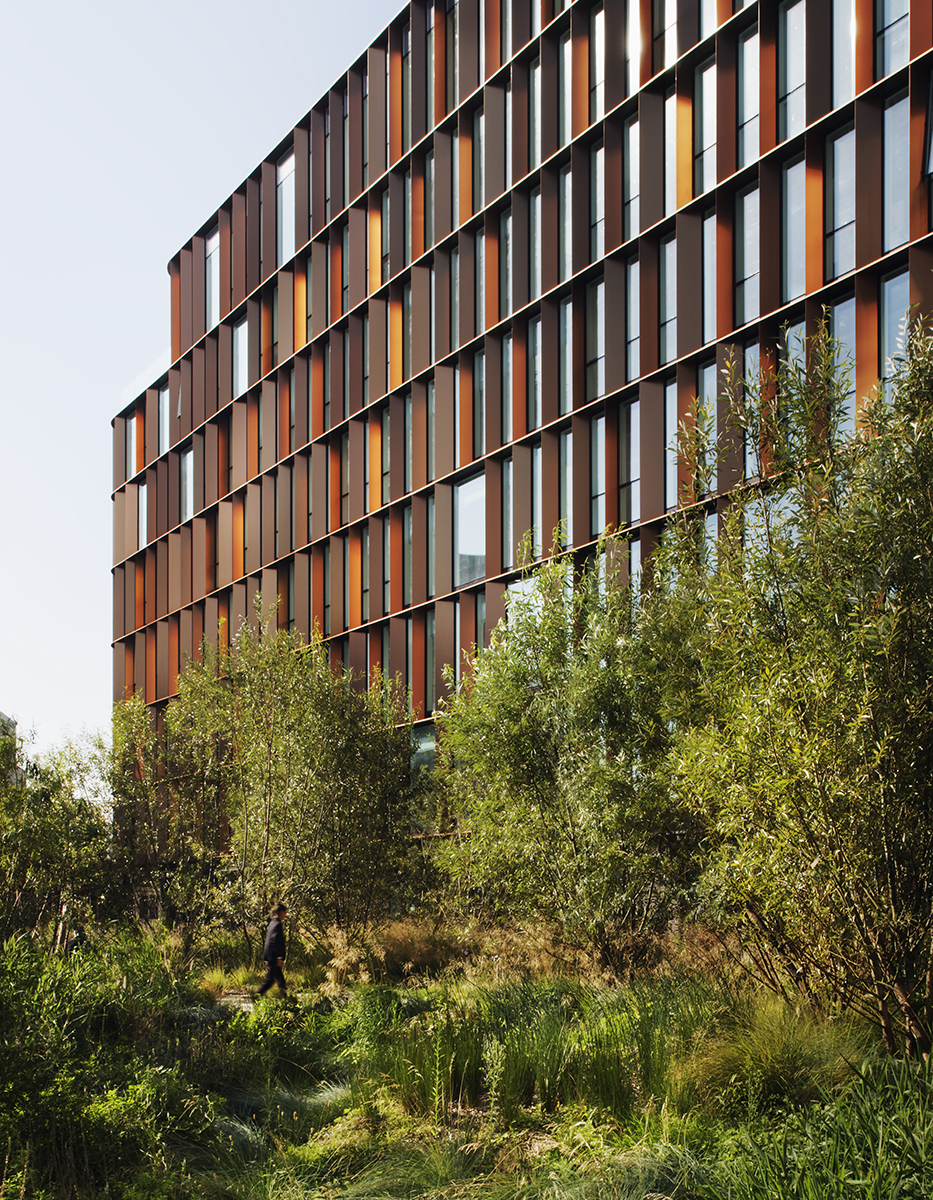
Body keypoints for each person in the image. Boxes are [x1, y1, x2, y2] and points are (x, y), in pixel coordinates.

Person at [257, 904, 288, 997]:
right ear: (281, 913)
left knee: (280, 979)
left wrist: (267, 958)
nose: (285, 915)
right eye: (285, 912)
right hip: (274, 956)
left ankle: (285, 998)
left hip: (270, 955)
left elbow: (268, 941)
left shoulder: (272, 923)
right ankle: (257, 996)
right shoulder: (278, 924)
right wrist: (279, 956)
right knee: (270, 980)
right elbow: (276, 941)